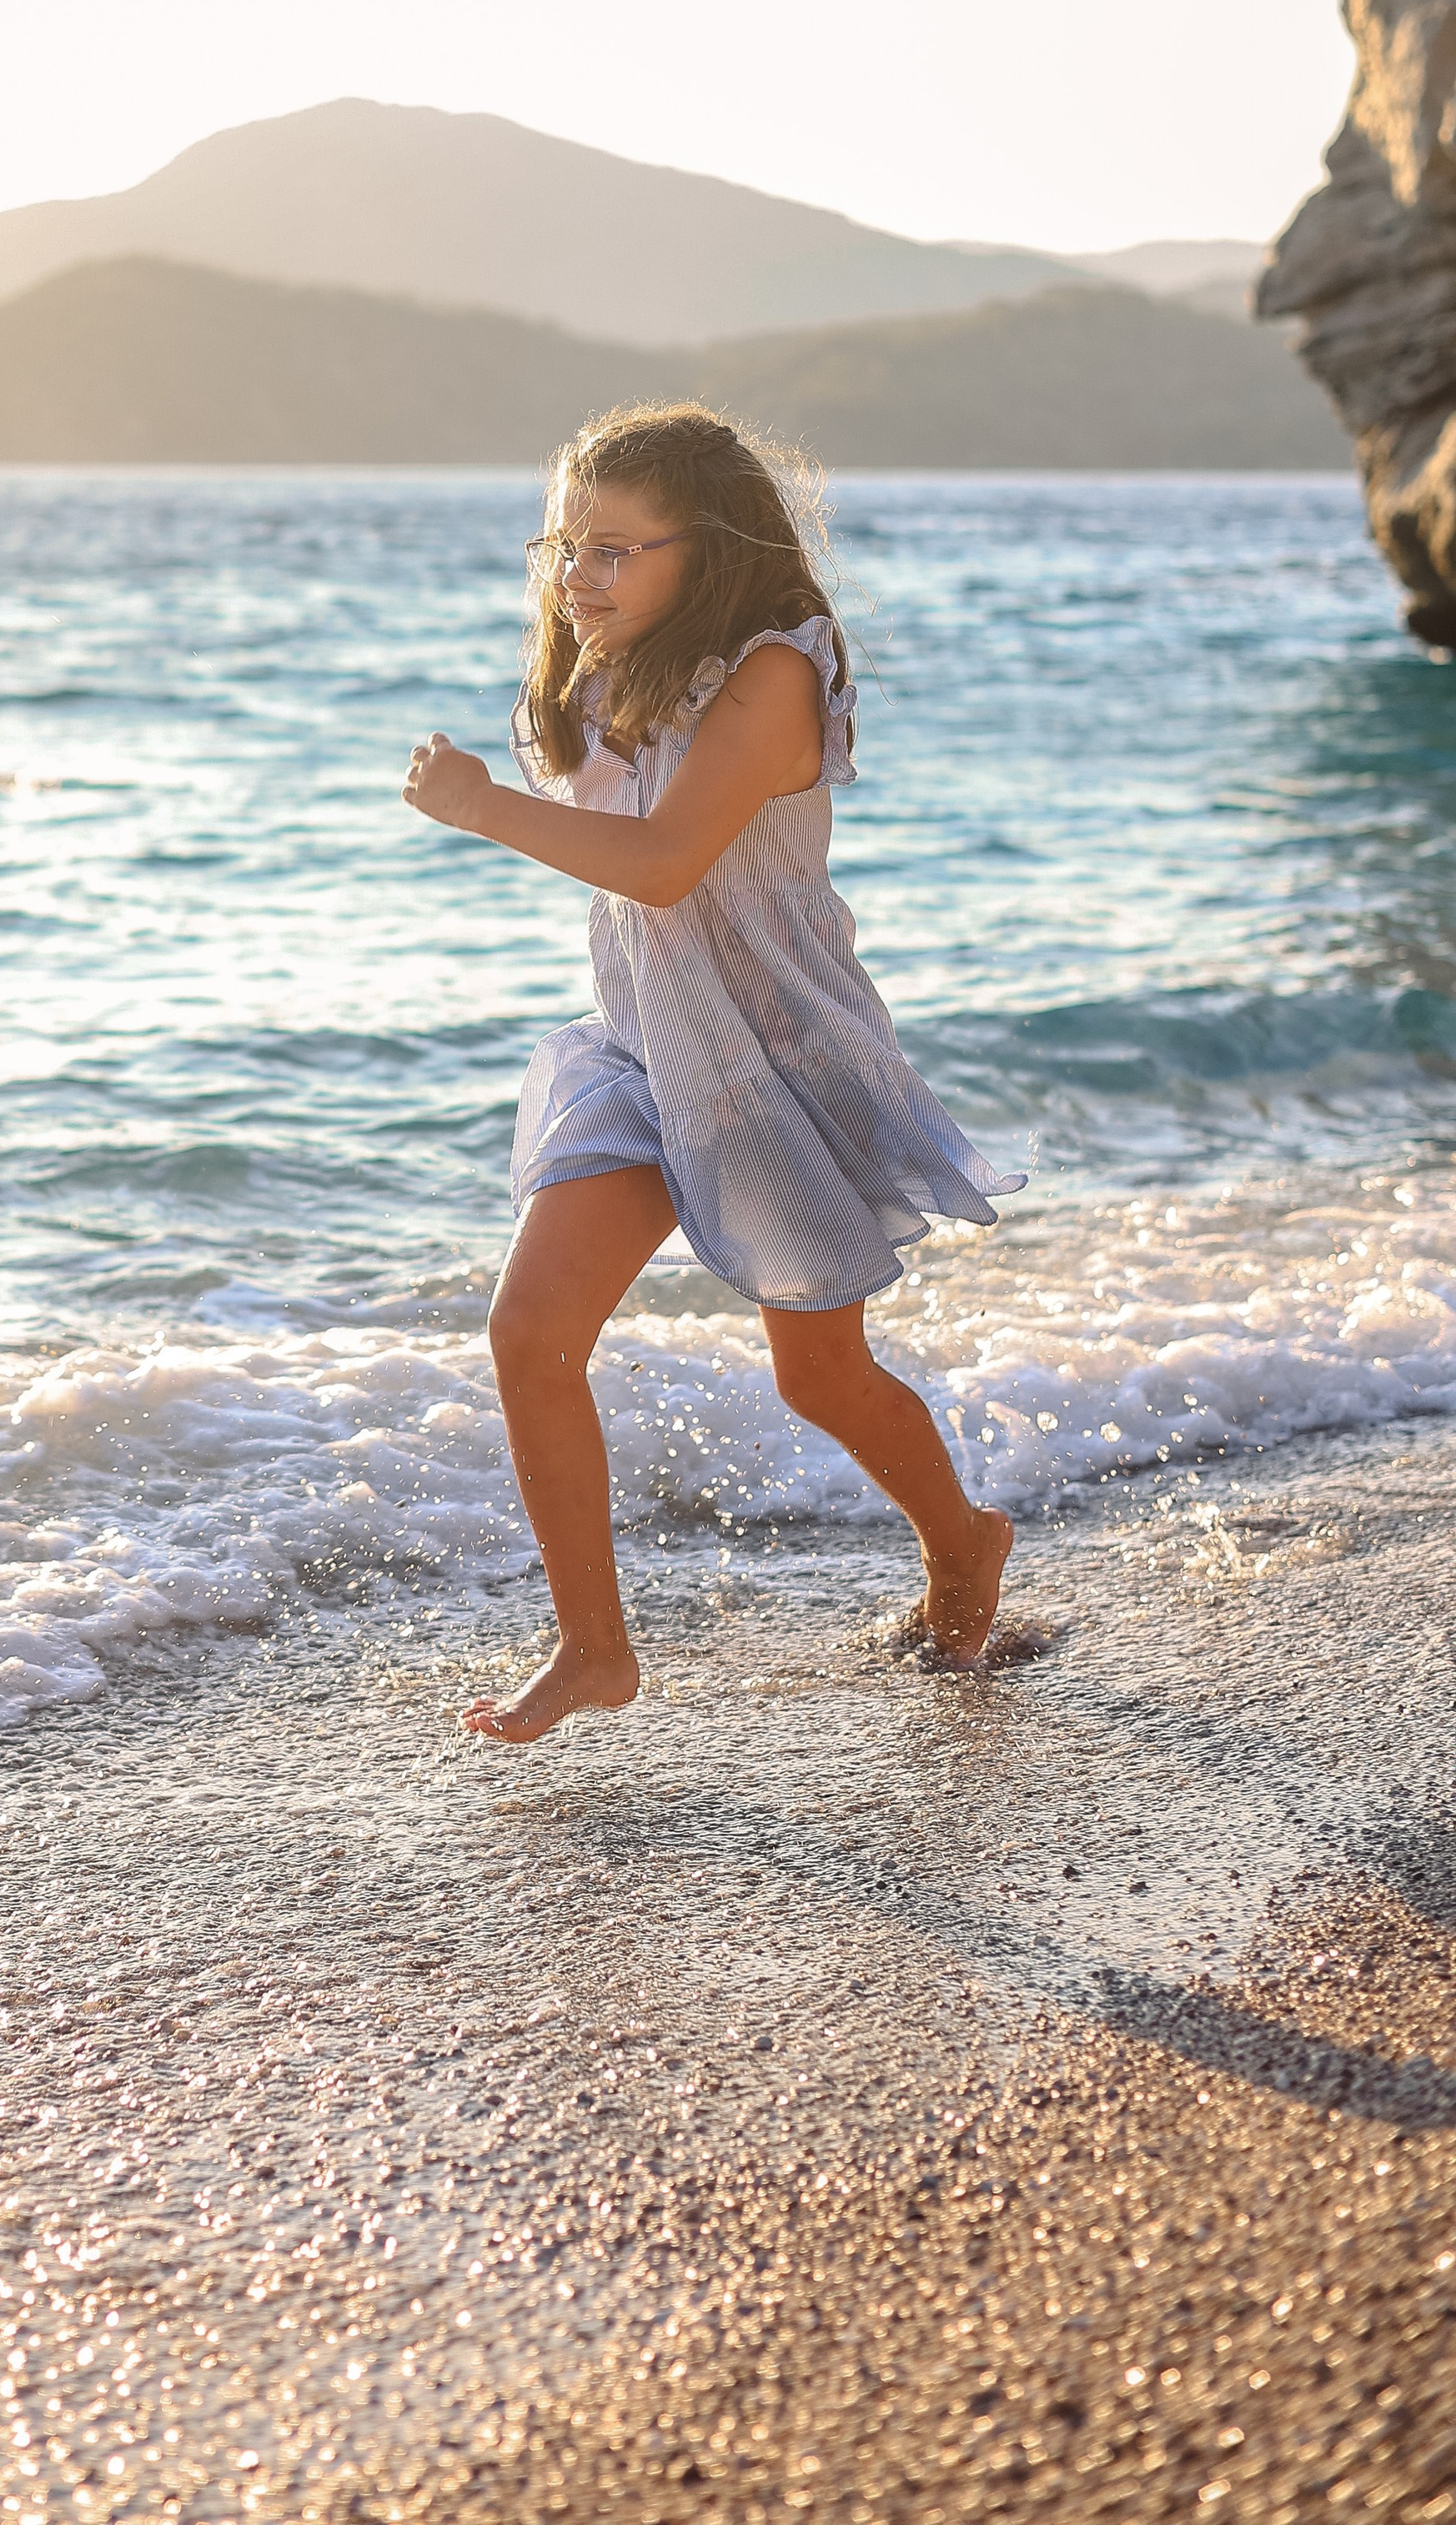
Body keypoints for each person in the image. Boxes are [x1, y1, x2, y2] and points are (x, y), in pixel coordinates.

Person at [403, 401, 1022, 1743]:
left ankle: (964, 1538)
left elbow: (665, 864)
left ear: (717, 546)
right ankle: (592, 1650)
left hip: (774, 1060)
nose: (582, 576)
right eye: (570, 545)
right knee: (528, 1335)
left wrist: (477, 806)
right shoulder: (619, 672)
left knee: (818, 1377)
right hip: (643, 1046)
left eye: (620, 549)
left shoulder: (772, 675)